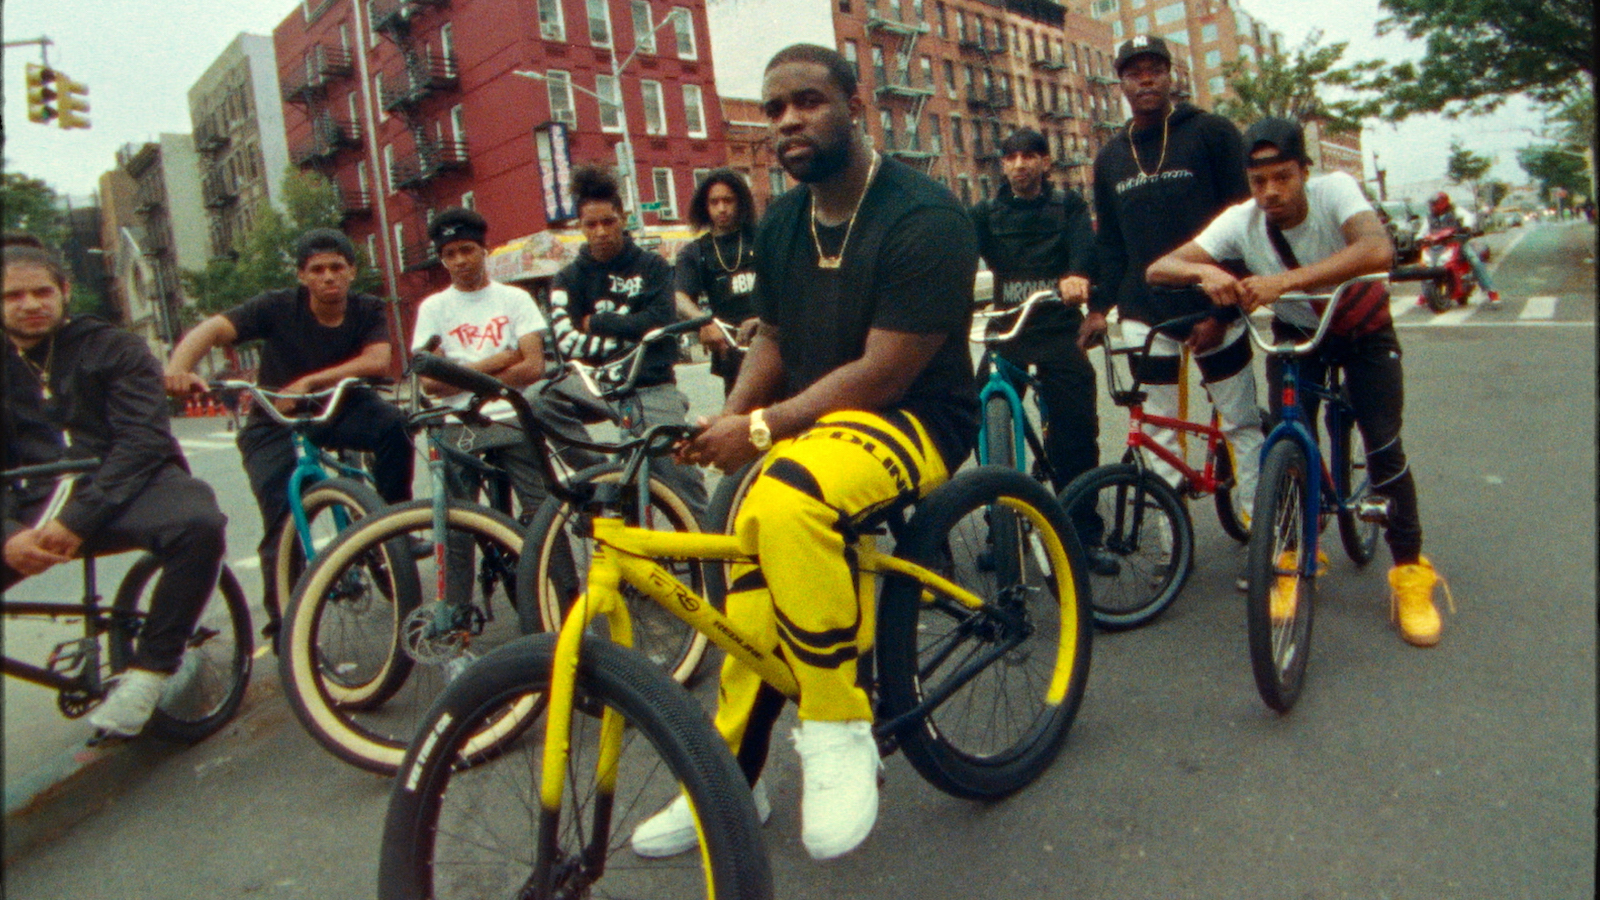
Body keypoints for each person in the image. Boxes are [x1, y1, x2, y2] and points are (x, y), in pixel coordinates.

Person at [647, 43, 979, 862]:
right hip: (818, 424)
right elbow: (778, 337)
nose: (788, 120)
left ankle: (837, 728)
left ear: (855, 108)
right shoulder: (785, 220)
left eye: (809, 101)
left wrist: (761, 432)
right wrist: (730, 414)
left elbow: (884, 370)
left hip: (913, 416)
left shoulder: (924, 217)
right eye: (775, 108)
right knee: (749, 539)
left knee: (788, 499)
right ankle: (732, 768)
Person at [1146, 117, 1448, 647]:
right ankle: (1291, 557)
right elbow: (1158, 267)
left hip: (1362, 331)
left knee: (1383, 443)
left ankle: (1410, 575)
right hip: (1298, 334)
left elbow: (1376, 250)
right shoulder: (1241, 219)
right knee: (1287, 442)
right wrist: (1204, 273)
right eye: (1259, 181)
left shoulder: (1336, 192)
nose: (1271, 192)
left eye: (1283, 177)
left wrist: (1284, 280)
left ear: (1305, 171)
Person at [4, 244, 229, 738]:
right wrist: (7, 534)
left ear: (64, 292)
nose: (30, 303)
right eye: (13, 295)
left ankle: (150, 672)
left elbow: (143, 440)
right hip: (33, 501)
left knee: (199, 524)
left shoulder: (112, 346)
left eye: (42, 291)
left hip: (128, 484)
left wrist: (79, 519)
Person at [165, 228, 414, 645]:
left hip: (338, 405)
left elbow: (377, 361)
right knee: (281, 516)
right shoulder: (275, 307)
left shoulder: (366, 308)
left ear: (352, 271)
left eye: (337, 267)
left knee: (395, 427)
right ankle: (285, 627)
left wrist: (310, 382)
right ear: (302, 276)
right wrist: (178, 366)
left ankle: (391, 529)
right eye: (317, 269)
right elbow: (211, 330)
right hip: (273, 419)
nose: (329, 276)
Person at [1085, 34, 1263, 544]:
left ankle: (1259, 531)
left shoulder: (1212, 134)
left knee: (1239, 421)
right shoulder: (1111, 158)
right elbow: (1112, 246)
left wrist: (1223, 314)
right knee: (1158, 429)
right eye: (1134, 70)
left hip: (1216, 303)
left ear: (1170, 76)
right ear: (1119, 82)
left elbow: (1244, 224)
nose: (1145, 78)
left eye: (1155, 68)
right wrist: (1100, 308)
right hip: (1146, 313)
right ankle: (1172, 541)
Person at [968, 127, 1114, 573]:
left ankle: (1082, 535)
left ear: (1046, 162)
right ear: (1002, 164)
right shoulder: (985, 213)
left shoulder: (1067, 206)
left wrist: (1077, 276)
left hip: (1057, 330)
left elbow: (1086, 250)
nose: (1020, 165)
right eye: (1011, 157)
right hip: (1008, 332)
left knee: (1076, 430)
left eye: (1030, 156)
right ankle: (1001, 529)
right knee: (979, 415)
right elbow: (958, 255)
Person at [544, 165, 708, 519]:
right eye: (591, 225)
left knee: (683, 486)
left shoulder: (652, 267)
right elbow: (566, 343)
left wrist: (598, 322)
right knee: (539, 399)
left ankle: (712, 555)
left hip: (650, 384)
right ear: (579, 227)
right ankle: (603, 476)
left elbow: (661, 323)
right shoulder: (567, 278)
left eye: (609, 222)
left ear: (623, 218)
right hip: (596, 384)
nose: (601, 232)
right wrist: (633, 334)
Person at [409, 208, 555, 599]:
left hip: (510, 416)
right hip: (458, 423)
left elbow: (533, 366)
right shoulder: (433, 308)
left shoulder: (515, 298)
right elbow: (427, 380)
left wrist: (462, 376)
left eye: (467, 250)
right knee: (456, 521)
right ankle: (455, 615)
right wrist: (499, 360)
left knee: (544, 512)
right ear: (442, 259)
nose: (459, 261)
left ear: (484, 250)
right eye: (450, 254)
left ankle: (562, 598)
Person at [674, 169, 760, 396]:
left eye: (728, 200)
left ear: (740, 202)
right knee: (741, 421)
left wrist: (767, 318)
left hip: (774, 340)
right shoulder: (696, 251)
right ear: (705, 206)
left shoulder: (763, 236)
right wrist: (704, 322)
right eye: (714, 202)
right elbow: (679, 297)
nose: (722, 208)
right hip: (731, 350)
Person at [1425, 192, 1501, 305]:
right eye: (1432, 204)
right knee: (1426, 265)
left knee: (1474, 260)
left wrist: (1466, 227)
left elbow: (1469, 217)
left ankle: (1491, 291)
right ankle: (1425, 294)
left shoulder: (1456, 211)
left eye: (1436, 204)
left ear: (1444, 203)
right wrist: (1419, 239)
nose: (1434, 207)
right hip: (1438, 246)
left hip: (1458, 242)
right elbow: (1424, 230)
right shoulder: (1430, 217)